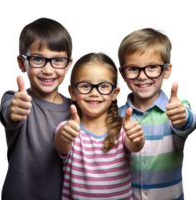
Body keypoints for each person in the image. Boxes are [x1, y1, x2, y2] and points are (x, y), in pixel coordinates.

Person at [0, 17, 74, 200]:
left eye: (57, 60)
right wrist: (16, 110)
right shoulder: (14, 99)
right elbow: (9, 113)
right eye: (38, 59)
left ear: (69, 65)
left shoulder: (75, 109)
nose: (48, 70)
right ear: (21, 63)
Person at [117, 25, 196, 200]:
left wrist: (182, 117)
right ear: (122, 74)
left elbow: (187, 123)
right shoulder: (117, 115)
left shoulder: (177, 108)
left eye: (152, 67)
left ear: (167, 70)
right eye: (133, 68)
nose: (142, 76)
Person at [54, 49, 145, 199]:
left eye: (103, 86)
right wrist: (65, 135)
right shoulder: (69, 129)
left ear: (115, 93)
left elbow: (135, 145)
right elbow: (61, 143)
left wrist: (137, 138)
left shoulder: (123, 130)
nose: (94, 93)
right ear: (71, 92)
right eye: (85, 86)